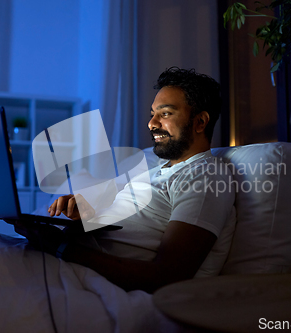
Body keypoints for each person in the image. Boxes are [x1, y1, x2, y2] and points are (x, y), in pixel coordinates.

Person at [15, 67, 236, 293]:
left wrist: (60, 246)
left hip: (83, 276)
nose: (152, 123)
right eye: (152, 114)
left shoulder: (206, 176)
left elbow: (168, 277)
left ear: (200, 122)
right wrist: (85, 217)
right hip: (66, 260)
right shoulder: (155, 170)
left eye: (165, 113)